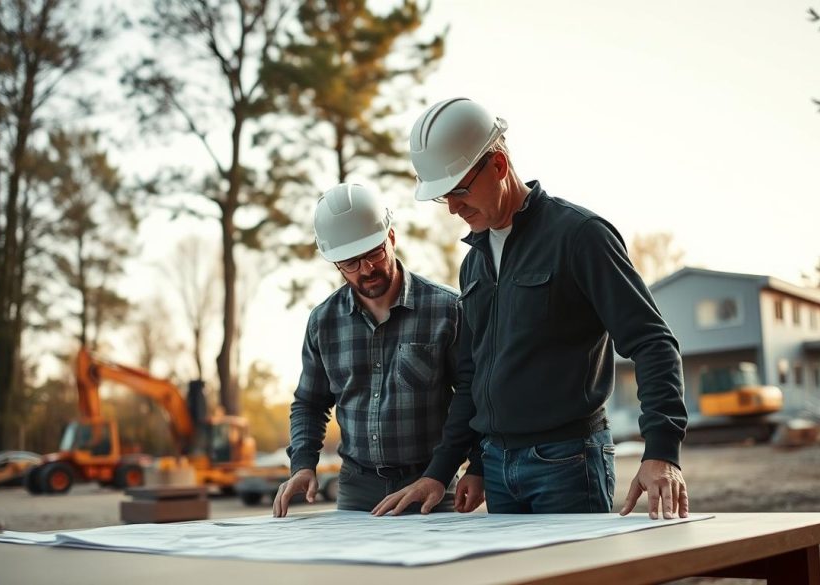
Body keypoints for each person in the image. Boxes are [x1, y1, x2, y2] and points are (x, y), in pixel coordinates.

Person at [373, 98, 689, 518]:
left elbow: (653, 343)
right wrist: (454, 468)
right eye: (443, 197)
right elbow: (473, 377)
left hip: (567, 464)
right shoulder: (475, 263)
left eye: (460, 190)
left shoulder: (580, 237)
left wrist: (662, 451)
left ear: (499, 165)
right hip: (499, 469)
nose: (453, 208)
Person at [274, 182, 484, 517]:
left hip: (431, 484)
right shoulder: (323, 322)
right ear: (335, 264)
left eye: (374, 253)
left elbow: (475, 393)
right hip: (357, 490)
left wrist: (476, 466)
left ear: (391, 238)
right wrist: (302, 464)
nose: (367, 269)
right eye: (351, 263)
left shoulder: (447, 309)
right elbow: (309, 403)